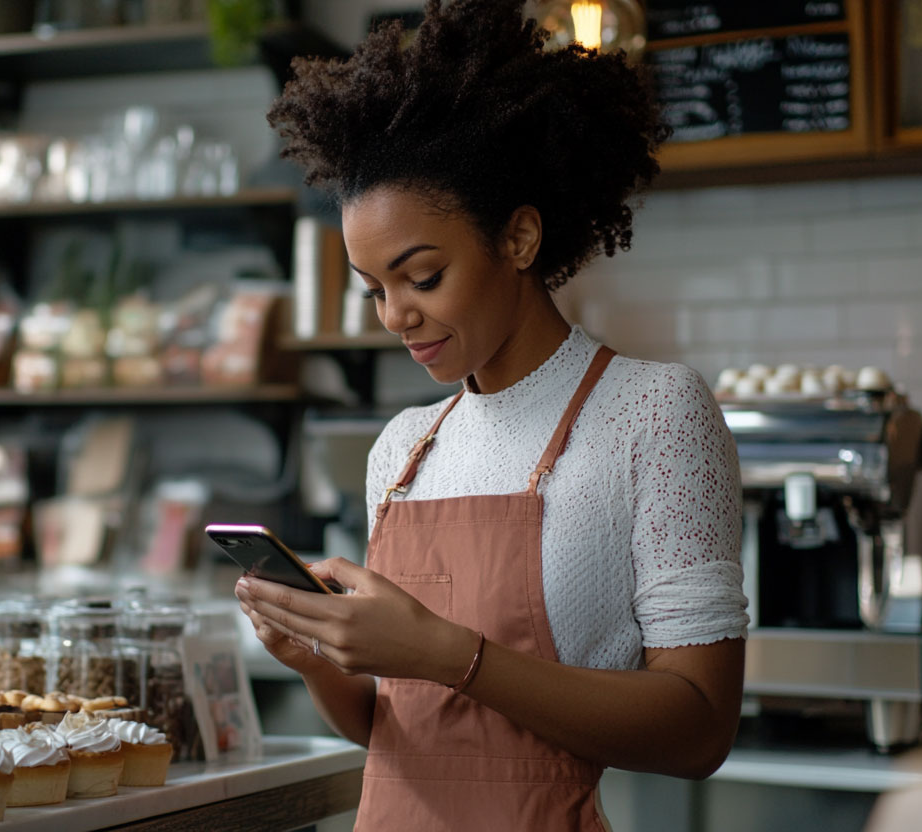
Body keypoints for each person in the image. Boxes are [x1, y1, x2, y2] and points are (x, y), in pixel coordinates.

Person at [233, 2, 749, 829]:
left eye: (422, 277)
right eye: (374, 290)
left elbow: (700, 729)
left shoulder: (653, 414)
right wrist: (317, 660)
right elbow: (402, 733)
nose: (396, 315)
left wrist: (449, 654)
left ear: (518, 239)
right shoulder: (403, 449)